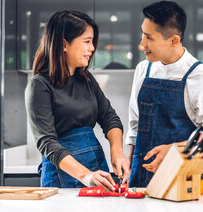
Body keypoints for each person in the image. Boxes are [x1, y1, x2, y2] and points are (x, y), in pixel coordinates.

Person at [126, 1, 203, 187]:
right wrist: (129, 166)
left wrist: (174, 151)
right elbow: (135, 124)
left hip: (179, 179)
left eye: (149, 37)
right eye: (142, 34)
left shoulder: (202, 78)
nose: (142, 44)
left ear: (174, 41)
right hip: (138, 178)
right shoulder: (143, 69)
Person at [25, 10, 129, 189]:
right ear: (64, 44)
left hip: (97, 170)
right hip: (62, 176)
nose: (92, 48)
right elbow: (47, 143)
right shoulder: (39, 85)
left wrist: (117, 152)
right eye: (87, 41)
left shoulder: (86, 80)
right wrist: (85, 175)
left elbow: (110, 118)